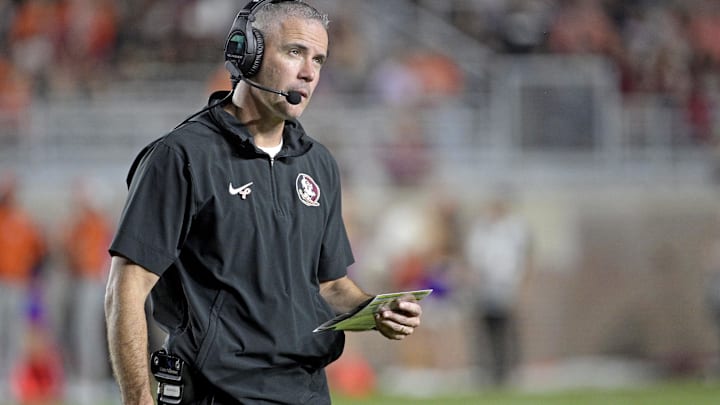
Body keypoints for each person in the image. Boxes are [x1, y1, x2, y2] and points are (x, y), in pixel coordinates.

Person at [104, 1, 423, 404]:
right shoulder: (182, 157)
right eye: (295, 52)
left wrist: (376, 310)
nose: (309, 72)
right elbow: (127, 288)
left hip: (306, 391)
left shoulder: (319, 163)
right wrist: (137, 399)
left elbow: (329, 285)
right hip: (214, 394)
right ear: (248, 53)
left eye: (319, 60)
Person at [463, 192, 532, 385]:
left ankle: (510, 371)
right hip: (485, 287)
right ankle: (488, 371)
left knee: (507, 330)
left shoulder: (515, 229)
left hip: (507, 286)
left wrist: (523, 288)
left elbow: (524, 258)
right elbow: (474, 259)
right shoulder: (480, 229)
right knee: (486, 330)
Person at [0, 172, 46, 397]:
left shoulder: (23, 222)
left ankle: (11, 379)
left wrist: (32, 280)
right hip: (2, 283)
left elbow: (39, 254)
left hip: (17, 284)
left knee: (15, 333)